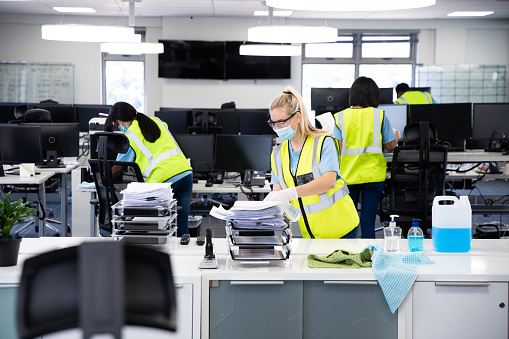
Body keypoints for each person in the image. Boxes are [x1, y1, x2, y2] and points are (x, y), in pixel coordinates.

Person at [264, 87, 359, 239]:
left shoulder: (323, 142)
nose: (277, 128)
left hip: (341, 228)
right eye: (273, 123)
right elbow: (278, 193)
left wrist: (291, 192)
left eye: (281, 122)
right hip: (311, 233)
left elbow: (329, 181)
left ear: (298, 117)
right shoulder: (277, 154)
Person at [105, 102, 193, 236]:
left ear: (122, 121)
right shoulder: (155, 121)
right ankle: (183, 255)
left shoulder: (130, 135)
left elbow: (118, 166)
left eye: (117, 124)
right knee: (181, 225)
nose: (119, 127)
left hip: (164, 179)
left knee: (155, 226)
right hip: (185, 173)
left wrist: (101, 179)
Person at [333, 77, 400, 238]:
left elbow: (337, 149)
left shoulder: (340, 117)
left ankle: (348, 255)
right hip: (373, 176)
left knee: (349, 220)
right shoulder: (379, 115)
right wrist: (396, 135)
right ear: (373, 96)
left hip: (348, 177)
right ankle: (369, 258)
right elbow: (390, 146)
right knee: (368, 221)